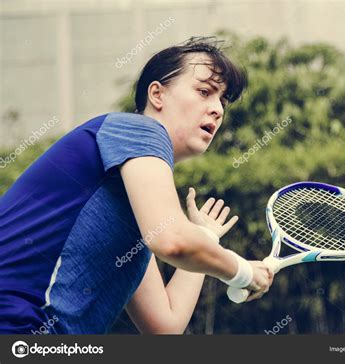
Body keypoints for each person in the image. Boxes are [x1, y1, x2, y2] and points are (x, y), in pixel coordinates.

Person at [0, 37, 273, 334]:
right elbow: (173, 241)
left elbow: (165, 326)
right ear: (157, 95)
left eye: (222, 101)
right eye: (204, 92)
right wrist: (243, 272)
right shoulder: (139, 130)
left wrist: (205, 237)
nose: (217, 109)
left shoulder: (132, 207)